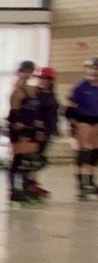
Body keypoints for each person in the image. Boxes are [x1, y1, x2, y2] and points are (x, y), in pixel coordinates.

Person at [7, 75, 47, 205]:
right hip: (20, 130)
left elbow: (35, 113)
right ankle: (13, 189)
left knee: (28, 161)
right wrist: (18, 128)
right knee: (18, 160)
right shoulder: (17, 93)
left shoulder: (32, 92)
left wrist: (38, 128)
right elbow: (13, 114)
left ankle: (25, 187)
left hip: (30, 129)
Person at [65, 58, 98, 199]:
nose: (94, 71)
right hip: (83, 119)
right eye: (92, 69)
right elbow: (70, 107)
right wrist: (72, 125)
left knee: (94, 152)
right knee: (83, 152)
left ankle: (90, 181)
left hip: (96, 119)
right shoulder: (80, 86)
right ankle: (81, 184)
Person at [28, 67, 58, 200]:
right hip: (38, 132)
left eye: (45, 78)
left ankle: (34, 183)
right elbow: (34, 113)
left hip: (48, 131)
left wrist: (56, 128)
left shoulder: (51, 95)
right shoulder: (36, 94)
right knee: (34, 158)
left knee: (40, 159)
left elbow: (53, 113)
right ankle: (30, 185)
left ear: (50, 80)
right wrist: (39, 129)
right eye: (41, 78)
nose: (42, 81)